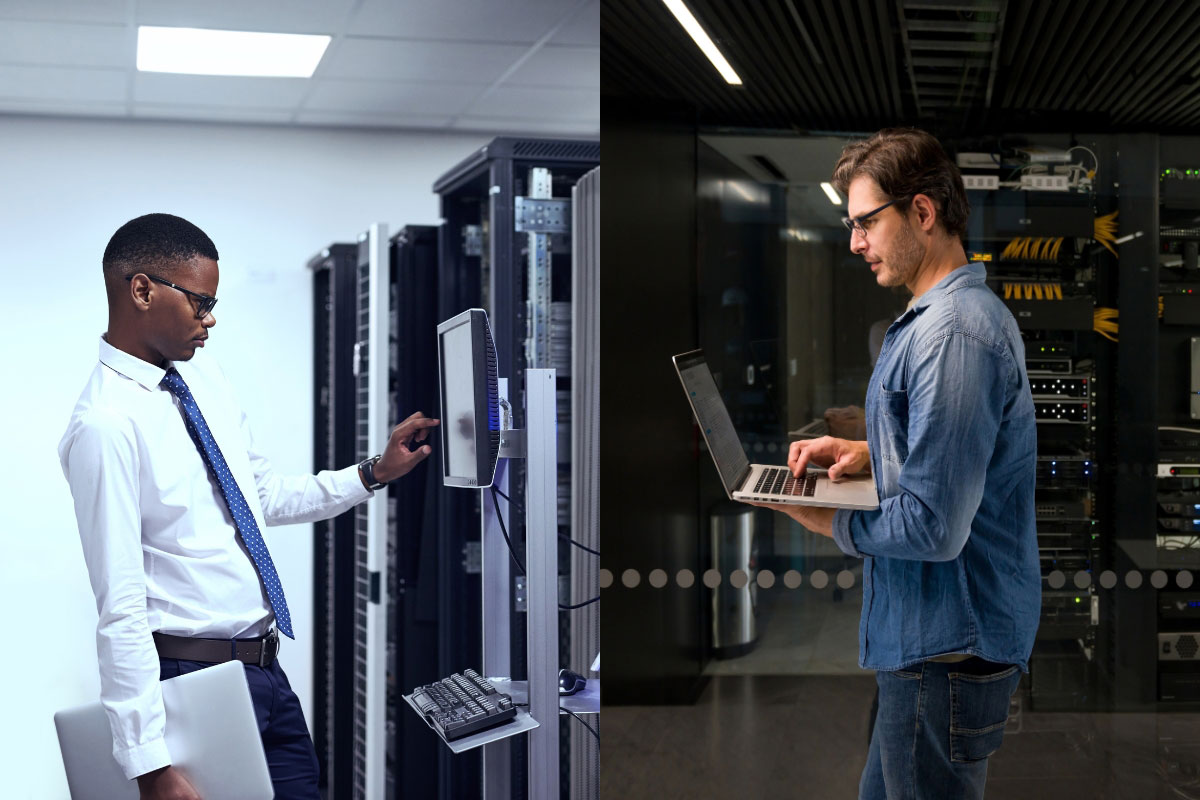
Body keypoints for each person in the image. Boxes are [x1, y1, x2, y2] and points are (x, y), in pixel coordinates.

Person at [58, 213, 439, 800]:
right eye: (200, 303)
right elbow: (121, 604)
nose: (210, 322)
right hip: (187, 681)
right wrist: (150, 766)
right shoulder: (105, 425)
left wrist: (372, 473)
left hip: (263, 671)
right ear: (142, 290)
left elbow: (259, 498)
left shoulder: (201, 376)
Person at [753, 128, 1040, 799]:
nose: (855, 242)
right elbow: (948, 466)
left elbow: (936, 527)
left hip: (945, 649)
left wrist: (822, 518)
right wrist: (867, 455)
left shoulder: (954, 336)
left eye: (865, 223)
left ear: (922, 212)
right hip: (931, 646)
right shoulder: (936, 318)